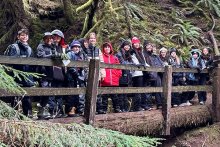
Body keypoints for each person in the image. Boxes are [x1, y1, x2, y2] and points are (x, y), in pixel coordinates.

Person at [4, 29, 35, 117]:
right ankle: (14, 114)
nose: (24, 37)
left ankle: (27, 113)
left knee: (26, 95)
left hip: (27, 76)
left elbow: (33, 62)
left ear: (28, 37)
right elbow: (11, 61)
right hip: (15, 76)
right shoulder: (13, 47)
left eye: (26, 35)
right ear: (18, 37)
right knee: (15, 95)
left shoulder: (29, 49)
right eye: (22, 35)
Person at [47, 29, 68, 117]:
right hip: (50, 73)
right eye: (54, 36)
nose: (56, 38)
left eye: (58, 37)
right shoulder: (48, 46)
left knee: (59, 93)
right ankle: (52, 111)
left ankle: (59, 111)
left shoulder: (62, 48)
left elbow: (66, 61)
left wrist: (66, 71)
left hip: (60, 73)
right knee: (51, 93)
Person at [98, 42, 122, 113]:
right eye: (105, 47)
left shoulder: (114, 58)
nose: (107, 48)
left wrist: (117, 75)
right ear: (103, 49)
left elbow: (119, 68)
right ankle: (104, 110)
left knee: (115, 96)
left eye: (108, 47)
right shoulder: (101, 57)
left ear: (110, 48)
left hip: (114, 81)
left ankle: (117, 108)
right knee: (104, 97)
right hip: (104, 80)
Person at [36, 32, 55, 119]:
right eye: (47, 38)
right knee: (44, 91)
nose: (49, 39)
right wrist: (53, 56)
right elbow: (42, 56)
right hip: (42, 72)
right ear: (44, 39)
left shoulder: (52, 47)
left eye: (50, 38)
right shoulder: (41, 46)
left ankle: (44, 111)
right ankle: (41, 111)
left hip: (50, 72)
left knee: (48, 92)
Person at [66, 40, 87, 116]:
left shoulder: (81, 55)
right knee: (71, 93)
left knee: (79, 94)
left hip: (79, 77)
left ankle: (79, 109)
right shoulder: (69, 54)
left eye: (78, 47)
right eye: (75, 47)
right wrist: (74, 71)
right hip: (71, 77)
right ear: (72, 47)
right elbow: (67, 63)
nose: (76, 48)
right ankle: (71, 109)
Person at [130, 37, 151, 111]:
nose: (136, 44)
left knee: (143, 89)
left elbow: (144, 62)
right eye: (135, 43)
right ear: (133, 44)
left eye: (137, 43)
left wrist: (150, 68)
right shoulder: (132, 51)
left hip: (143, 73)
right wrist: (141, 65)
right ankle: (136, 107)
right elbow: (135, 62)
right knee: (138, 90)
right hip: (137, 74)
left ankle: (143, 105)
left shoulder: (140, 51)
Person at [143, 40, 164, 109]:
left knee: (158, 88)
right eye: (147, 46)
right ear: (145, 47)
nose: (149, 47)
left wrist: (160, 70)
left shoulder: (155, 56)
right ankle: (148, 105)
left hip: (156, 74)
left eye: (150, 46)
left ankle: (159, 103)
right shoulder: (143, 55)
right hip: (147, 74)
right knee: (147, 90)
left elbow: (161, 64)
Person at [115, 40, 133, 112]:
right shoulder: (119, 54)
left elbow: (130, 63)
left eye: (128, 45)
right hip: (121, 75)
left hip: (127, 76)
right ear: (123, 46)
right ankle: (121, 108)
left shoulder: (128, 54)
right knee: (121, 93)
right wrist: (133, 65)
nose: (127, 47)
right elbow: (123, 63)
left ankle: (125, 108)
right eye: (126, 45)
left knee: (125, 93)